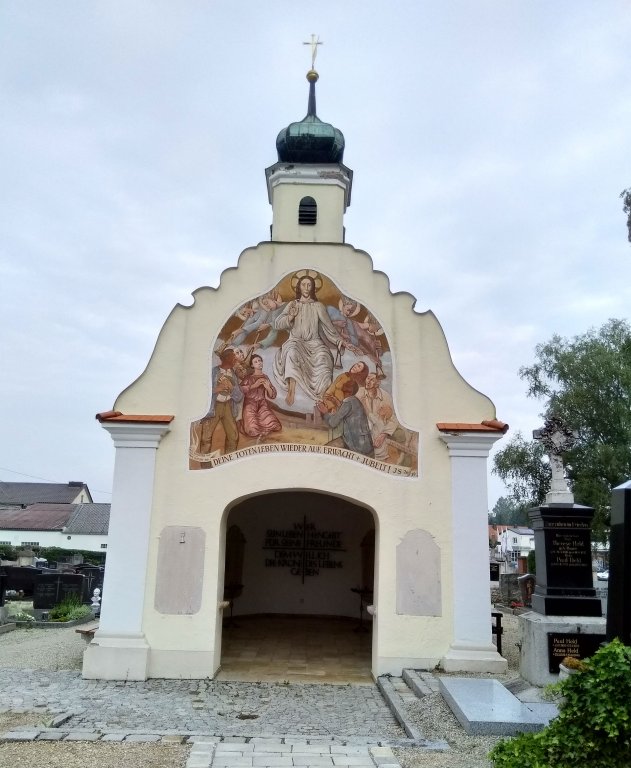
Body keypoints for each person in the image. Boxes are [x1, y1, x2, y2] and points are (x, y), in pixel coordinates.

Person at [273, 274, 344, 406]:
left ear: (313, 288)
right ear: (299, 287)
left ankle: (324, 397)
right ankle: (291, 390)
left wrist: (339, 340)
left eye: (309, 285)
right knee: (292, 353)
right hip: (296, 341)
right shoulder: (293, 304)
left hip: (315, 343)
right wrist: (290, 316)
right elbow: (278, 324)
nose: (306, 287)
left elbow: (329, 327)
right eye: (303, 284)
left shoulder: (318, 306)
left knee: (324, 357)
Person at [199, 348, 243, 455]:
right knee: (206, 437)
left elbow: (239, 396)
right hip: (214, 407)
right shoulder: (214, 371)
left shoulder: (233, 374)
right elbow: (201, 391)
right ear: (226, 358)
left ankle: (229, 462)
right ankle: (205, 465)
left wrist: (232, 388)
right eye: (233, 358)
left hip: (228, 406)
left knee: (233, 437)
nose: (235, 360)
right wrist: (216, 389)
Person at [317, 379, 374, 457]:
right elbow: (347, 412)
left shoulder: (348, 402)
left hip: (357, 446)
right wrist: (337, 402)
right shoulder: (354, 400)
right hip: (364, 443)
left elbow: (332, 423)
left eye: (340, 389)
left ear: (345, 391)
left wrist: (325, 412)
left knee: (323, 452)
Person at [239, 354, 282, 440]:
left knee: (276, 426)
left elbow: (272, 395)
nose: (259, 363)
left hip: (262, 405)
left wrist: (268, 388)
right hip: (250, 405)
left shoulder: (265, 377)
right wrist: (254, 385)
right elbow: (240, 390)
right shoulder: (248, 378)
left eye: (260, 361)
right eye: (256, 362)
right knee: (252, 430)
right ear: (252, 365)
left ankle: (262, 427)